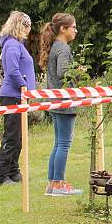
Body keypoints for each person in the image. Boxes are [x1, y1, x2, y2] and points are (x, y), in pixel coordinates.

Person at [38, 13, 82, 197]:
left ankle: (52, 183)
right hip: (64, 102)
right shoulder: (63, 48)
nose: (76, 30)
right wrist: (78, 71)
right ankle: (58, 185)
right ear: (63, 29)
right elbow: (63, 72)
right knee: (64, 144)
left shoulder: (55, 46)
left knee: (58, 144)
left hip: (54, 102)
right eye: (73, 27)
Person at [0, 11, 36, 186]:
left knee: (18, 137)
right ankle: (2, 175)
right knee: (11, 136)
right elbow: (12, 71)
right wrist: (24, 87)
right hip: (13, 95)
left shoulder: (17, 45)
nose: (29, 30)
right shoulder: (12, 45)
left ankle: (13, 171)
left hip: (20, 96)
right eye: (27, 27)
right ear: (21, 26)